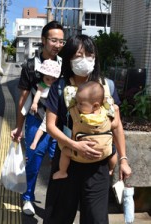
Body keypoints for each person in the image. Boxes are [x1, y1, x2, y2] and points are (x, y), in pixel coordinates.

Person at [43, 34, 132, 224]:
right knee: (58, 217)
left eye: (89, 54)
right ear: (68, 59)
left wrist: (123, 159)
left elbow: (117, 127)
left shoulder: (106, 86)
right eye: (78, 55)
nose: (85, 59)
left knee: (96, 219)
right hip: (66, 162)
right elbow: (50, 125)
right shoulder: (60, 87)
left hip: (98, 165)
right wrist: (75, 144)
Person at [10, 20, 65, 216]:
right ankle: (27, 197)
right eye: (53, 40)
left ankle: (56, 201)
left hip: (60, 122)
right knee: (34, 159)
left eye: (61, 41)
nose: (57, 45)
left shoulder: (64, 64)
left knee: (60, 163)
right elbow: (23, 99)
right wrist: (19, 127)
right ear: (43, 40)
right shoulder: (31, 66)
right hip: (37, 119)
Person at [52, 81, 118, 180]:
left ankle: (62, 172)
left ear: (95, 105)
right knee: (113, 151)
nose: (77, 106)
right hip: (103, 153)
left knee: (65, 151)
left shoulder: (77, 115)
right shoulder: (105, 113)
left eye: (80, 104)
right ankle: (111, 169)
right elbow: (115, 124)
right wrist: (116, 111)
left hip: (78, 154)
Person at [29, 59, 61, 150]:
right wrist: (35, 103)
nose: (50, 81)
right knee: (43, 126)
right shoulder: (43, 85)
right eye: (47, 79)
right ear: (42, 76)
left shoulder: (57, 85)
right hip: (48, 110)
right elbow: (38, 93)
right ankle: (35, 142)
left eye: (53, 79)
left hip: (55, 109)